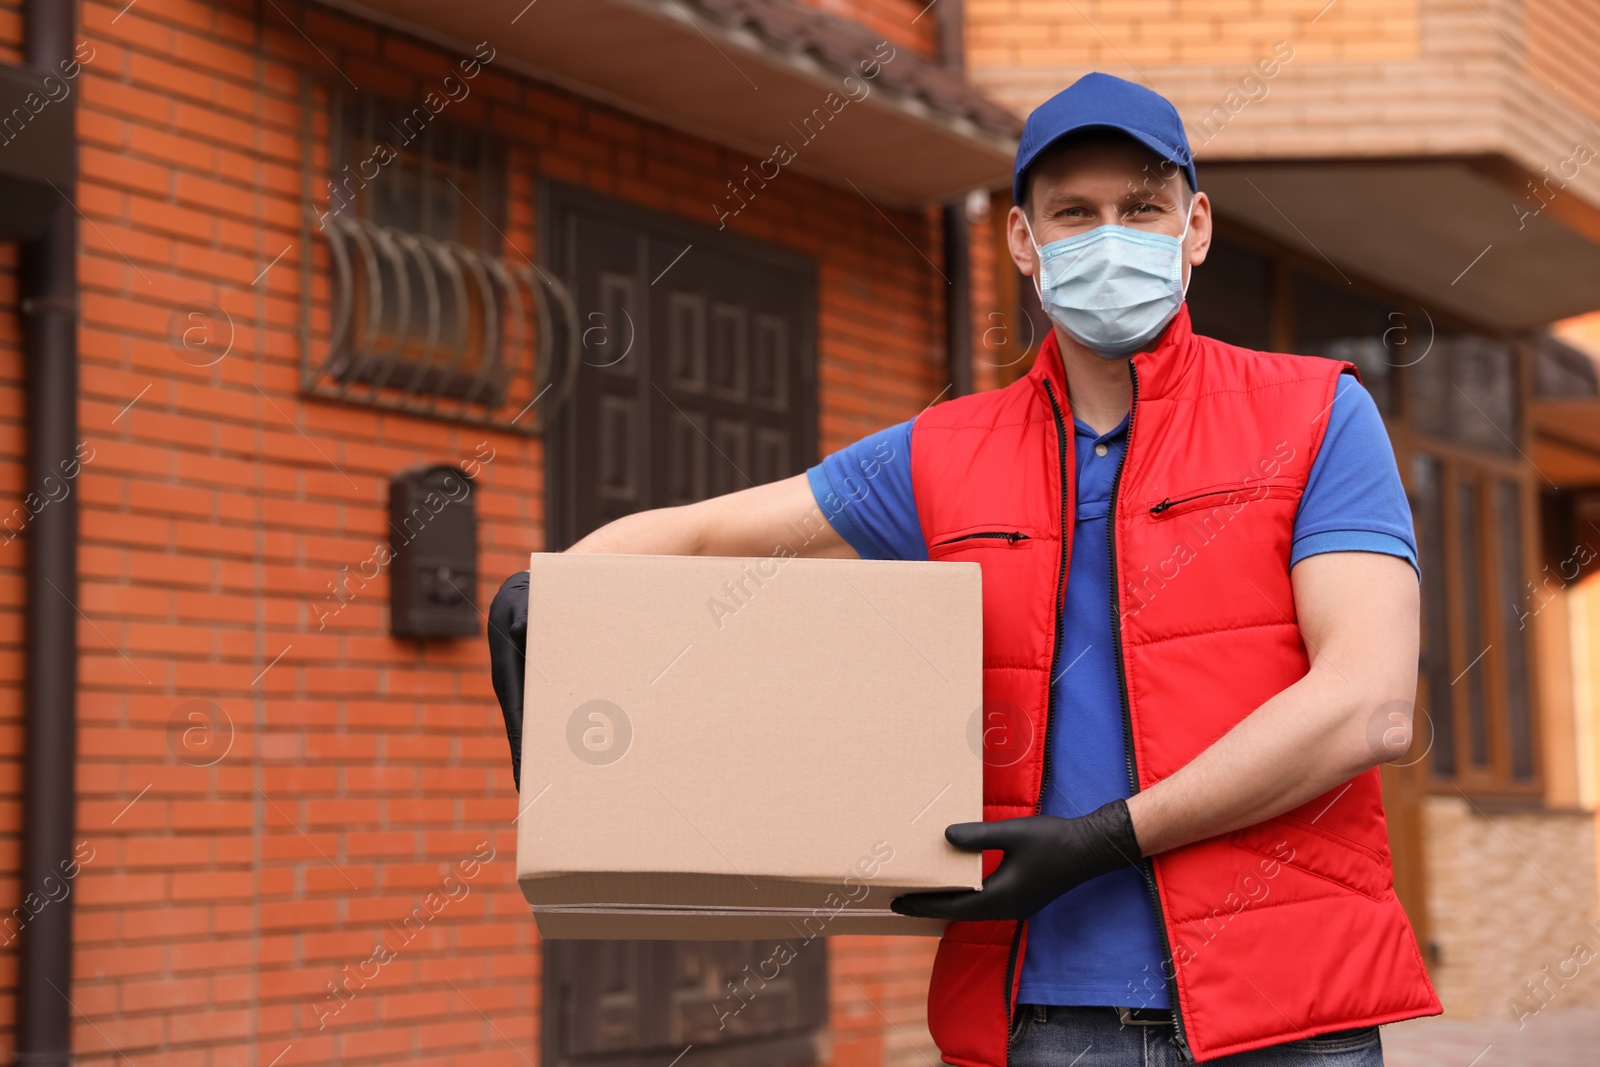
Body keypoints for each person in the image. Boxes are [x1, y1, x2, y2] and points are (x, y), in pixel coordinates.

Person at [488, 73, 1440, 1066]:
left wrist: (1107, 835)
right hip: (1035, 1018)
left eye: (1141, 208)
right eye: (1074, 212)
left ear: (1195, 227)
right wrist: (558, 593)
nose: (1110, 237)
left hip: (1283, 1017)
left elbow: (1365, 703)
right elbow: (697, 538)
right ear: (1023, 241)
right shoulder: (942, 453)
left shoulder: (1314, 415)